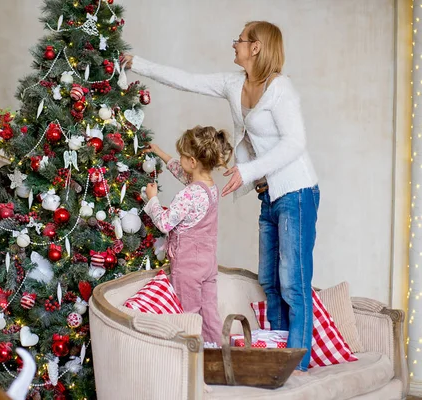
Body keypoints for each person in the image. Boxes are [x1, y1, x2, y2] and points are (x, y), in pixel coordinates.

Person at [124, 20, 319, 374]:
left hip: (297, 192)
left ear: (256, 47)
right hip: (269, 196)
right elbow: (186, 79)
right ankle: (272, 362)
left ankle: (297, 366)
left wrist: (247, 171)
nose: (234, 44)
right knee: (270, 283)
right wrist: (135, 63)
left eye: (240, 40)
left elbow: (296, 143)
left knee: (294, 283)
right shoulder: (234, 84)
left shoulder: (281, 89)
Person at [143, 125, 232, 346]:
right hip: (208, 262)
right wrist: (160, 152)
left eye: (182, 156)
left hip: (188, 264)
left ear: (192, 162)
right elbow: (182, 172)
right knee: (209, 311)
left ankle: (189, 360)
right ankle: (219, 354)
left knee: (187, 314)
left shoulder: (188, 194)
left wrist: (152, 198)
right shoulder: (209, 188)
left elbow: (164, 223)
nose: (180, 160)